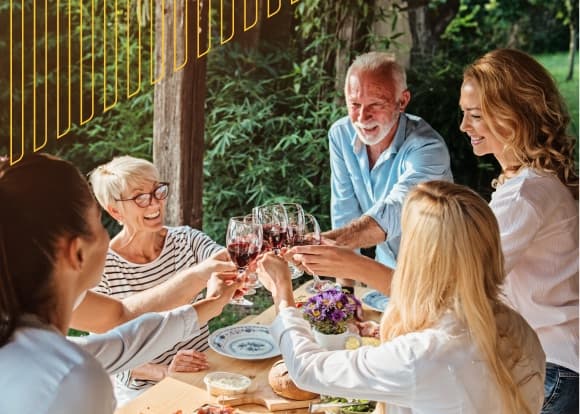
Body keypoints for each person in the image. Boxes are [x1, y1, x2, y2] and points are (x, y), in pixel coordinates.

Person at [258, 180, 546, 414]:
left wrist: (282, 293)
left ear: (420, 255)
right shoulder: (519, 330)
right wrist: (357, 265)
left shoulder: (424, 355)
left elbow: (308, 370)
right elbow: (441, 298)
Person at [0, 153, 241, 413]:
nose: (107, 236)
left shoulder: (21, 328)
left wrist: (213, 301)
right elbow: (109, 344)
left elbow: (120, 319)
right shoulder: (73, 380)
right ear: (77, 251)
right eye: (98, 223)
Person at [459, 48, 579, 414]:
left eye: (475, 116)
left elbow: (461, 289)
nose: (464, 127)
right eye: (464, 114)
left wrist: (359, 268)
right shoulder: (532, 180)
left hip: (555, 371)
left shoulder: (526, 194)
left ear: (513, 117)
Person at [88, 155, 235, 402]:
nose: (154, 203)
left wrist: (220, 285)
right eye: (140, 197)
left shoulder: (186, 239)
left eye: (157, 191)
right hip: (145, 390)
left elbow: (223, 261)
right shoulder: (102, 269)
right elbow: (106, 352)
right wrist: (166, 372)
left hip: (206, 370)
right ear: (115, 211)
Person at [323, 51, 452, 290]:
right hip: (384, 277)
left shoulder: (428, 147)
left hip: (437, 279)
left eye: (375, 104)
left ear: (402, 101)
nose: (362, 117)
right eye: (354, 104)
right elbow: (344, 210)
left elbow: (395, 211)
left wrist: (321, 246)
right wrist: (345, 294)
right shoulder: (341, 135)